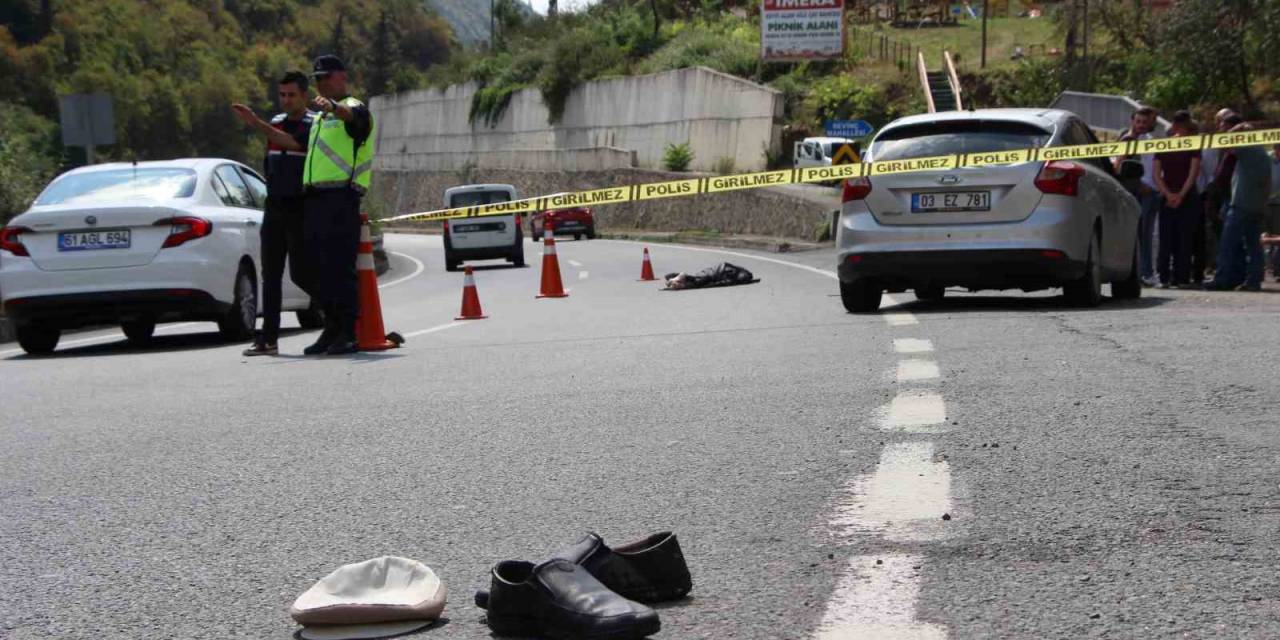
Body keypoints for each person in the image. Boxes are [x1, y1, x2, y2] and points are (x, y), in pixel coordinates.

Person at [231, 71, 317, 356]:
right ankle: (268, 339)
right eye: (282, 95)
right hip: (275, 208)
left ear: (304, 95)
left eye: (292, 95)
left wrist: (255, 123)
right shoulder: (276, 123)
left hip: (300, 207)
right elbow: (271, 158)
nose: (286, 100)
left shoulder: (312, 124)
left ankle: (341, 318)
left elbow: (292, 143)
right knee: (270, 274)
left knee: (304, 272)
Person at [301, 54, 375, 355]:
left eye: (325, 77)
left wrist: (334, 107)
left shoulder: (353, 108)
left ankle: (347, 330)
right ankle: (330, 329)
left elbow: (353, 118)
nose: (319, 83)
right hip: (316, 198)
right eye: (316, 78)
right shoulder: (320, 117)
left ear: (341, 77)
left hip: (341, 198)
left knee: (340, 268)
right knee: (319, 270)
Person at [1206, 123, 1273, 292]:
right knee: (1253, 245)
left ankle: (1222, 279)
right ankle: (1254, 281)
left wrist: (1228, 135)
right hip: (1257, 205)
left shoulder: (1247, 148)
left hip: (1241, 203)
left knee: (1228, 243)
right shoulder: (1263, 152)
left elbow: (1226, 144)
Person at [1151, 111, 1201, 288]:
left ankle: (1163, 277)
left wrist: (1167, 194)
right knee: (1184, 239)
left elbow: (1156, 175)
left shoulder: (1163, 145)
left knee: (1166, 238)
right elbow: (1193, 173)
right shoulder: (1193, 145)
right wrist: (1181, 195)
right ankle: (1182, 278)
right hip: (1187, 197)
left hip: (1167, 196)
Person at [1113, 107, 1161, 286]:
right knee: (1142, 236)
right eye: (1138, 122)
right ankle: (1145, 273)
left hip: (1145, 193)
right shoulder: (1128, 139)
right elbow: (1119, 166)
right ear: (1132, 121)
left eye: (1145, 122)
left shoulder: (1145, 140)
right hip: (1137, 194)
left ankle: (1143, 273)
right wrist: (1140, 186)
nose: (1141, 125)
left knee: (1145, 235)